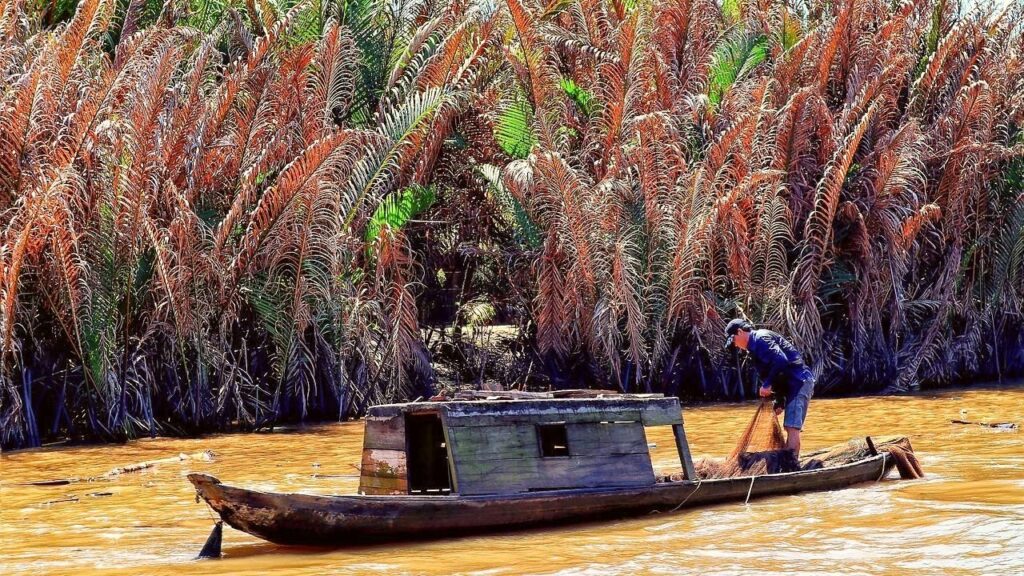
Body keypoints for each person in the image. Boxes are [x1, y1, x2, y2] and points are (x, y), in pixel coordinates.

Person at [724, 319, 814, 455]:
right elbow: (777, 374)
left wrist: (767, 385)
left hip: (799, 382)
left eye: (734, 340)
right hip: (789, 385)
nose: (735, 345)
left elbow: (781, 361)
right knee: (789, 426)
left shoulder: (761, 339)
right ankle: (790, 462)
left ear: (740, 332)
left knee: (791, 427)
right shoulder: (753, 350)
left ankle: (792, 465)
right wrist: (779, 400)